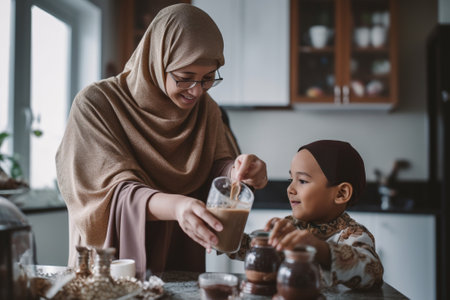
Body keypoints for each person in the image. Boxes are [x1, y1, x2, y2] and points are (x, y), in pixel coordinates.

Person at [55, 3, 267, 279]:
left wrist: (237, 170)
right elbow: (107, 193)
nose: (196, 91)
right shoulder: (97, 104)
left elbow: (214, 170)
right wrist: (177, 207)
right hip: (112, 267)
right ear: (157, 60)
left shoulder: (206, 109)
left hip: (177, 262)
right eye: (184, 78)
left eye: (208, 79)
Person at [233, 140, 383, 290]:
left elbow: (373, 273)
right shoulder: (291, 226)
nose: (290, 189)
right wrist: (219, 232)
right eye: (291, 180)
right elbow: (251, 248)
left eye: (302, 181)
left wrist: (319, 249)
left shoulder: (354, 235)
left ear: (341, 193)